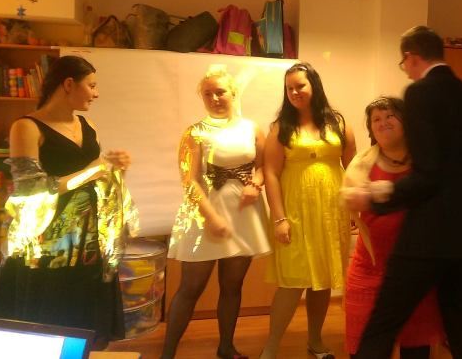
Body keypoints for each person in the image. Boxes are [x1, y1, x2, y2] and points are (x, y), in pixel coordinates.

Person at [346, 26, 462, 358]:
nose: (407, 71)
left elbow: (429, 174)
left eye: (404, 64)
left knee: (383, 322)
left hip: (428, 233)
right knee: (459, 322)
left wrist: (377, 195)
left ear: (411, 57)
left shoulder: (420, 93)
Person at [0, 55, 136, 349]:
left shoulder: (87, 125)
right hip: (49, 242)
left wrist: (116, 169)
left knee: (86, 321)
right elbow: (30, 190)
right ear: (69, 84)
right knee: (50, 317)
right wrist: (94, 169)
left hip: (89, 237)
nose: (96, 93)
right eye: (91, 85)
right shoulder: (26, 127)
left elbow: (98, 175)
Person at [163, 67, 271, 359]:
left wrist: (256, 184)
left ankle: (226, 347)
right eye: (207, 94)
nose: (214, 98)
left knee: (232, 286)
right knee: (190, 288)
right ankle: (167, 354)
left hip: (243, 213)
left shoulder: (252, 128)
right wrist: (212, 218)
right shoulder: (194, 132)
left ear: (233, 93)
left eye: (220, 92)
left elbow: (263, 165)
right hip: (204, 216)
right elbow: (189, 180)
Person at [260, 62, 356, 359]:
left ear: (314, 84)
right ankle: (270, 348)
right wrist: (279, 218)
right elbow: (270, 173)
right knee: (292, 282)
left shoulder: (339, 123)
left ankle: (315, 341)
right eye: (289, 88)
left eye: (300, 85)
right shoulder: (281, 127)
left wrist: (355, 208)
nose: (294, 92)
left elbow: (353, 168)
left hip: (331, 213)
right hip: (295, 213)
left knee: (322, 281)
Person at [341, 96, 444, 359]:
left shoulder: (426, 162)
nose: (383, 122)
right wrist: (352, 197)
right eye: (376, 119)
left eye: (390, 116)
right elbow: (348, 203)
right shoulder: (361, 165)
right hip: (370, 267)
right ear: (371, 129)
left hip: (415, 269)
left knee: (415, 348)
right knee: (366, 349)